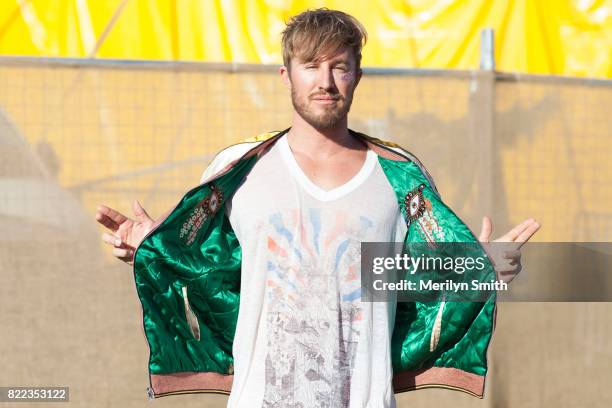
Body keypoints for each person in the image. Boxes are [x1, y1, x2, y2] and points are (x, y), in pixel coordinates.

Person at [95, 8, 540, 408]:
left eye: (339, 67)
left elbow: (411, 290)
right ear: (286, 75)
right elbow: (210, 274)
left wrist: (478, 269)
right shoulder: (236, 172)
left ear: (357, 75)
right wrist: (155, 248)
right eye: (310, 66)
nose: (325, 82)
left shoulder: (401, 178)